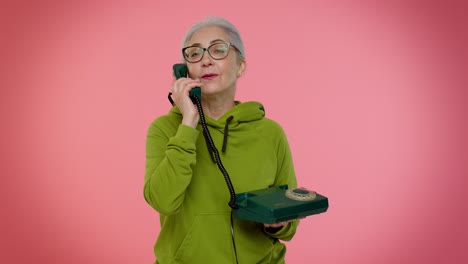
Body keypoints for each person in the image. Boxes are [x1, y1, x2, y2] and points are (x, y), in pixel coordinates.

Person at [144, 16, 299, 264]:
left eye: (218, 50)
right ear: (183, 70)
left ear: (240, 66)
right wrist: (188, 123)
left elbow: (289, 224)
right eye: (194, 54)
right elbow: (163, 201)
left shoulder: (271, 133)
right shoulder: (165, 129)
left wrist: (277, 224)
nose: (206, 60)